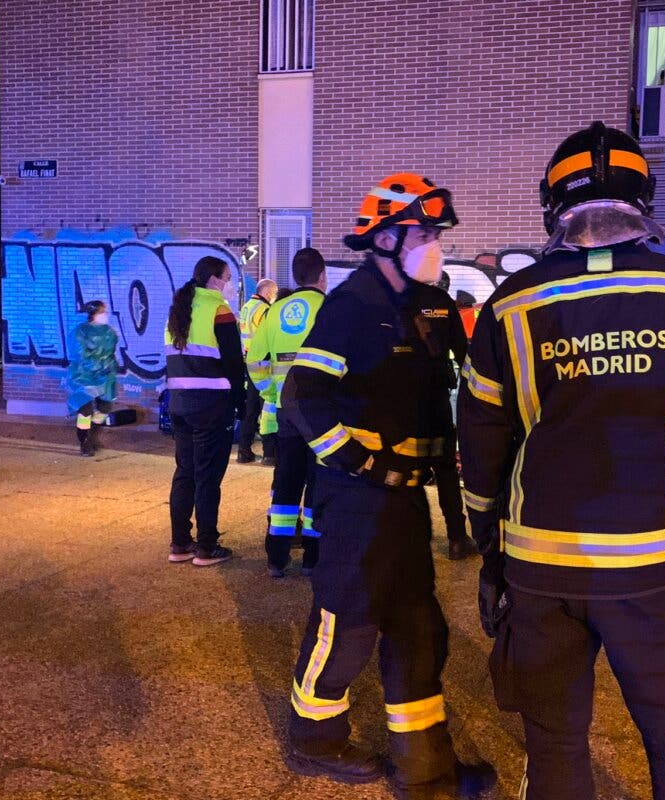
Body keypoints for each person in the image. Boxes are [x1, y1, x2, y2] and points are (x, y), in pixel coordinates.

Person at [457, 122, 665, 800]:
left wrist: (488, 540)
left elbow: (481, 439)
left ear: (552, 206)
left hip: (540, 563)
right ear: (642, 198)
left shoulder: (511, 301)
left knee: (554, 739)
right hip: (654, 562)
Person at [281, 174, 495, 798]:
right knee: (348, 623)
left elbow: (470, 374)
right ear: (385, 239)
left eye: (436, 235)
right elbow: (303, 394)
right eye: (424, 233)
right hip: (357, 500)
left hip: (407, 500)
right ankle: (313, 741)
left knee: (417, 627)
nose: (436, 246)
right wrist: (354, 462)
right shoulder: (353, 308)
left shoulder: (427, 304)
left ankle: (425, 773)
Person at [247, 248, 327, 577]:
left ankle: (276, 558)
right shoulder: (328, 308)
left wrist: (272, 393)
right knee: (317, 481)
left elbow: (255, 360)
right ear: (322, 276)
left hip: (286, 410)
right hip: (321, 413)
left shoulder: (275, 310)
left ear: (295, 277)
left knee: (285, 480)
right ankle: (312, 557)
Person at [164, 256, 245, 566]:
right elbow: (234, 364)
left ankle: (180, 543)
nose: (228, 285)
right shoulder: (219, 309)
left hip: (180, 403)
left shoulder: (178, 309)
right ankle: (207, 547)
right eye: (227, 278)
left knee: (185, 473)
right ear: (214, 279)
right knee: (208, 477)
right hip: (212, 406)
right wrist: (241, 402)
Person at [407, 277, 477, 560]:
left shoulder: (398, 298)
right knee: (447, 470)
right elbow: (464, 355)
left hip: (403, 402)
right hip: (436, 399)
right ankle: (457, 538)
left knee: (406, 469)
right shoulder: (443, 302)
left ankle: (410, 539)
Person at [64, 300, 118, 457]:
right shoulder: (80, 332)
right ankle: (84, 442)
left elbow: (111, 353)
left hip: (105, 377)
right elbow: (80, 355)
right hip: (83, 377)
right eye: (102, 312)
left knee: (105, 408)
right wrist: (98, 366)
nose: (105, 315)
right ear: (94, 314)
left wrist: (111, 366)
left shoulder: (109, 332)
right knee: (85, 411)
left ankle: (93, 437)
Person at [238, 278, 279, 464]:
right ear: (268, 293)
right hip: (264, 364)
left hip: (250, 362)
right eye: (274, 293)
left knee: (251, 408)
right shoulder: (264, 310)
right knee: (268, 407)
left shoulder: (247, 307)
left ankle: (244, 451)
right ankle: (269, 452)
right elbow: (269, 336)